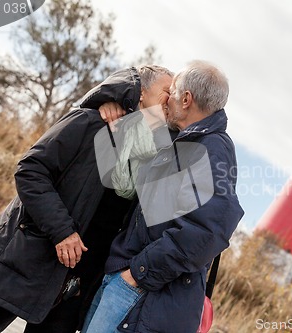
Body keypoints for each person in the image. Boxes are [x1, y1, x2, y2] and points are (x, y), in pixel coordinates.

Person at [0, 65, 173, 333]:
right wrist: (63, 232)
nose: (170, 100)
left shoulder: (152, 154)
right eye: (166, 92)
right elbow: (31, 171)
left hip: (78, 282)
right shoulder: (90, 123)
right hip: (31, 256)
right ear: (142, 93)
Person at [82, 60, 245, 333]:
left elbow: (210, 229)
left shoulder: (212, 148)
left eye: (172, 91)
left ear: (186, 98)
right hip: (127, 278)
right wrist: (111, 104)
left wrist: (138, 273)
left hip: (141, 288)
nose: (166, 98)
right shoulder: (181, 137)